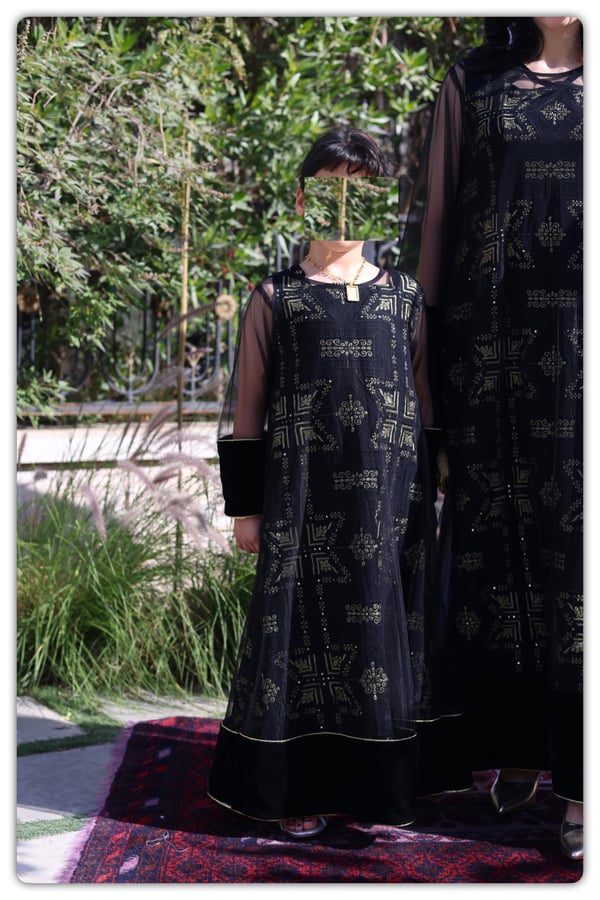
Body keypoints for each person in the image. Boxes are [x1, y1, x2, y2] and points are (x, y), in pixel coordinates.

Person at [208, 126, 456, 838]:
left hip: (390, 504)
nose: (344, 205)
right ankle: (299, 790)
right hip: (302, 501)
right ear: (301, 200)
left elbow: (423, 398)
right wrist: (246, 511)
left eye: (361, 191)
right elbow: (248, 409)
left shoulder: (404, 297)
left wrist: (438, 480)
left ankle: (383, 791)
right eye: (329, 190)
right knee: (302, 640)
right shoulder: (275, 299)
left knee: (383, 640)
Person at [402, 17, 583, 860]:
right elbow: (439, 222)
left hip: (581, 352)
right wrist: (422, 357)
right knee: (501, 547)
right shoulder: (474, 81)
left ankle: (582, 778)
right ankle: (517, 745)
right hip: (492, 353)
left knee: (581, 556)